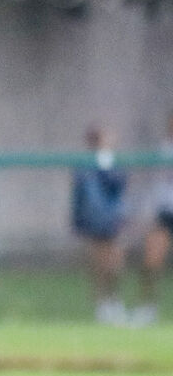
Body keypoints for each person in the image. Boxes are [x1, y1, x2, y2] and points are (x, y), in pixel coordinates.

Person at [70, 125, 129, 325]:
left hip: (112, 221)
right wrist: (79, 222)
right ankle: (101, 304)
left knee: (115, 263)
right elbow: (79, 197)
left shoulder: (113, 163)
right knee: (98, 265)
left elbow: (118, 186)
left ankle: (115, 301)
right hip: (94, 222)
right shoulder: (84, 167)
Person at [135, 112, 173, 327]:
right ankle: (147, 308)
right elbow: (155, 184)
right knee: (151, 260)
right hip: (166, 212)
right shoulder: (163, 149)